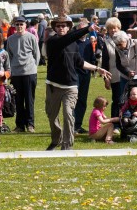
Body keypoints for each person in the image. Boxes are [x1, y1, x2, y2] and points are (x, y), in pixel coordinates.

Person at [44, 16, 111, 151]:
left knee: (68, 114)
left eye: (64, 26)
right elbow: (67, 39)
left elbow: (80, 62)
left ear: (68, 27)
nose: (61, 28)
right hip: (53, 86)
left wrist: (97, 68)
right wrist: (87, 29)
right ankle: (57, 139)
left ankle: (67, 146)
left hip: (70, 86)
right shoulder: (52, 41)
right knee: (52, 116)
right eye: (58, 26)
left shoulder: (73, 44)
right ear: (55, 28)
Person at [5, 17, 40, 133]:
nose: (19, 26)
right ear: (14, 26)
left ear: (25, 25)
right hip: (16, 73)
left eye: (21, 24)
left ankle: (30, 124)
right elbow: (9, 56)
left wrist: (34, 67)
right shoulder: (10, 39)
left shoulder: (31, 37)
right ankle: (20, 125)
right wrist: (10, 71)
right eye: (17, 24)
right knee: (18, 100)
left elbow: (37, 54)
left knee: (29, 100)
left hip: (29, 72)